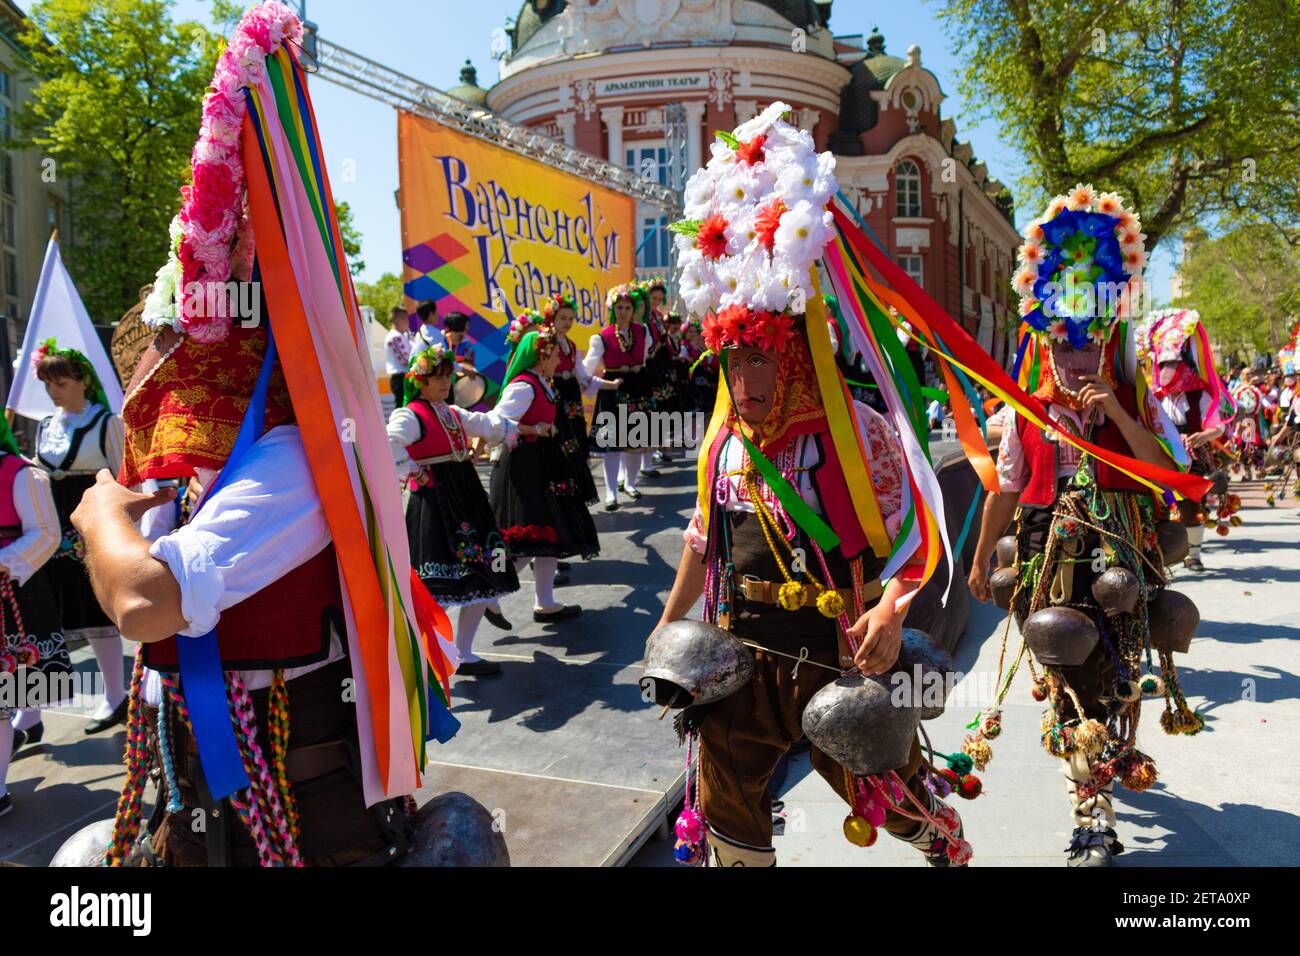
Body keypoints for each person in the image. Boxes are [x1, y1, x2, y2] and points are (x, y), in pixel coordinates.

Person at [70, 5, 457, 866]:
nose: (173, 362)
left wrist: (99, 517)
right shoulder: (177, 445)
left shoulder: (302, 451)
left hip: (299, 812)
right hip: (191, 794)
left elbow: (144, 602)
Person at [655, 105, 970, 868]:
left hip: (841, 652)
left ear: (797, 356)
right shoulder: (725, 444)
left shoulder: (858, 431)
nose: (744, 378)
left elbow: (918, 537)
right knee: (727, 802)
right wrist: (664, 632)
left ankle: (945, 846)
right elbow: (703, 541)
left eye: (760, 359)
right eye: (733, 361)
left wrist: (893, 615)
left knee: (894, 799)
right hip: (738, 653)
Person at [968, 185, 1206, 866]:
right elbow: (1006, 489)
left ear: (1106, 341)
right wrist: (983, 560)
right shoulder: (1025, 412)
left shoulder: (1132, 396)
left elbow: (1167, 471)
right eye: (1061, 343)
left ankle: (1101, 780)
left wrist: (1122, 417)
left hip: (1122, 546)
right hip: (1047, 550)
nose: (1074, 360)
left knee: (1118, 664)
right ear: (1043, 340)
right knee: (1064, 660)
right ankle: (1089, 805)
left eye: (1087, 344)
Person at [387, 344, 521, 676]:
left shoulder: (451, 412)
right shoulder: (411, 414)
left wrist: (511, 429)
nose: (445, 382)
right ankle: (417, 657)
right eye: (437, 377)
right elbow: (388, 442)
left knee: (482, 576)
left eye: (447, 376)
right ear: (420, 381)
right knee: (441, 586)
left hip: (466, 494)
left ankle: (463, 653)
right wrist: (411, 468)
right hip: (436, 502)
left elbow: (485, 423)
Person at [31, 339, 128, 736]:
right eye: (49, 385)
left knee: (93, 616)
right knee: (42, 621)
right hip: (47, 532)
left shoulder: (106, 422)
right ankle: (30, 713)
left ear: (82, 382)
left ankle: (115, 694)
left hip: (90, 528)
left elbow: (125, 477)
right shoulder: (43, 427)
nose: (55, 392)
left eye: (62, 383)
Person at [489, 321, 600, 622]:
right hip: (524, 467)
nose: (557, 361)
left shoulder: (541, 382)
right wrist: (533, 428)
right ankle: (492, 592)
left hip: (542, 464)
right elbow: (496, 423)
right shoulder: (524, 386)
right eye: (552, 356)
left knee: (552, 534)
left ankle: (545, 602)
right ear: (540, 357)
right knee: (528, 539)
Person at [0, 414, 69, 816]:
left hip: (11, 597)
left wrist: (4, 561)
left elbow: (46, 533)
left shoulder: (21, 473)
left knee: (7, 694)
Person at [1137, 309, 1235, 570]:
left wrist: (1201, 436)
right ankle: (1159, 556)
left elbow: (1218, 429)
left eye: (1172, 366)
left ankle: (1194, 555)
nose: (1167, 371)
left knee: (1192, 507)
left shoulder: (1200, 396)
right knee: (1161, 505)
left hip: (1193, 458)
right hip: (1164, 457)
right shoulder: (1157, 397)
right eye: (1163, 366)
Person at [542, 293, 621, 505]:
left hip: (571, 395)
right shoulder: (545, 342)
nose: (567, 323)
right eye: (562, 318)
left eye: (570, 318)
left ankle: (572, 495)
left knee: (575, 442)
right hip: (552, 394)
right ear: (552, 317)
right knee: (557, 444)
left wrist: (609, 385)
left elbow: (584, 378)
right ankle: (555, 497)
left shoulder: (572, 345)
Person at [584, 285, 653, 510]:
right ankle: (611, 494)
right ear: (612, 310)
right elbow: (587, 369)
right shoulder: (601, 338)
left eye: (627, 307)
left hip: (638, 386)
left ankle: (630, 484)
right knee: (612, 444)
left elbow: (646, 353)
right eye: (619, 307)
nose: (623, 311)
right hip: (613, 389)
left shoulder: (642, 331)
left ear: (634, 310)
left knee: (636, 442)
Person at [1230, 369, 1266, 480]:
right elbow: (1231, 398)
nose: (1249, 375)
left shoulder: (1256, 388)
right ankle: (1247, 472)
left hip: (1253, 418)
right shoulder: (1238, 387)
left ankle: (1260, 469)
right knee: (1242, 445)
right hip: (1241, 419)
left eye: (1251, 373)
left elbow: (1259, 402)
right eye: (1247, 373)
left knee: (1255, 443)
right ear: (1242, 375)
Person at [384, 305, 415, 406]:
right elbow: (406, 359)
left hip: (404, 376)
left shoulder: (402, 336)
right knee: (402, 406)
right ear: (399, 319)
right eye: (406, 319)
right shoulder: (395, 337)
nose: (408, 322)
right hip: (400, 378)